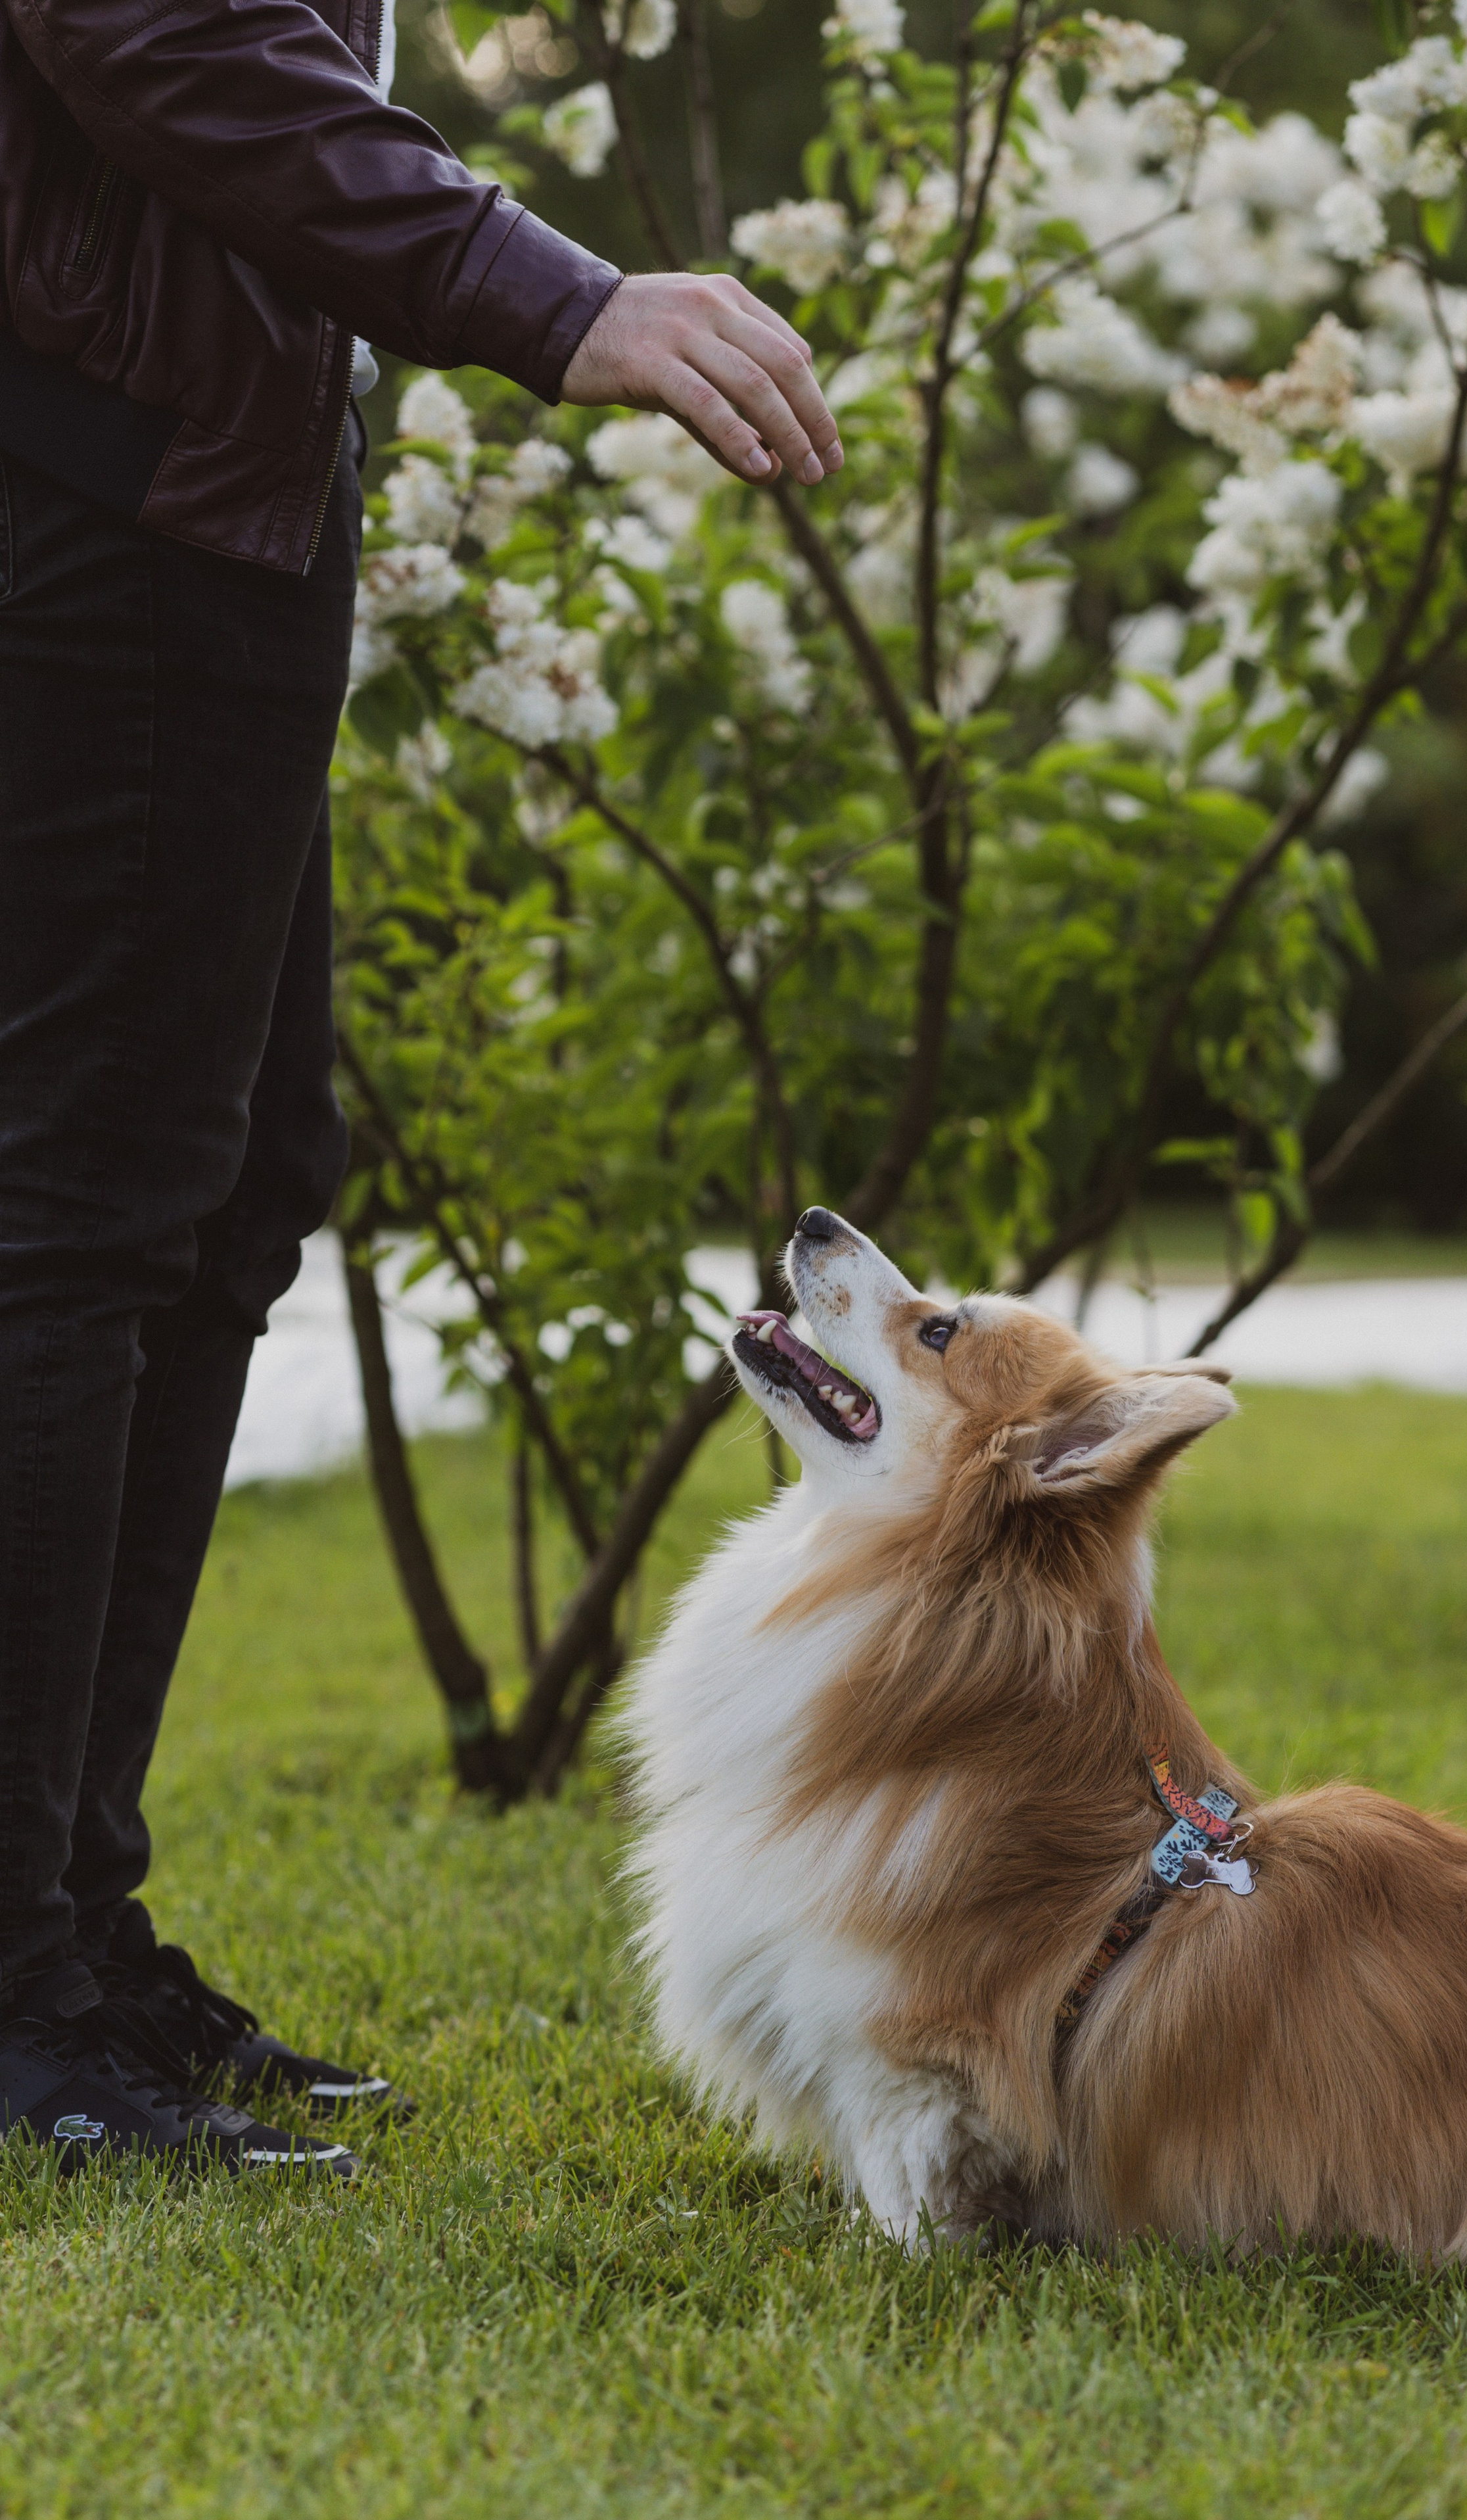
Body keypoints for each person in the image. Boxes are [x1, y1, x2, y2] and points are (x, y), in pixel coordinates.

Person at [0, 0, 841, 2176]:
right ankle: (15, 2005)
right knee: (80, 1217)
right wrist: (553, 295)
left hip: (206, 476)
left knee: (229, 1187)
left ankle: (73, 1944)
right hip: (99, 479)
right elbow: (164, 35)